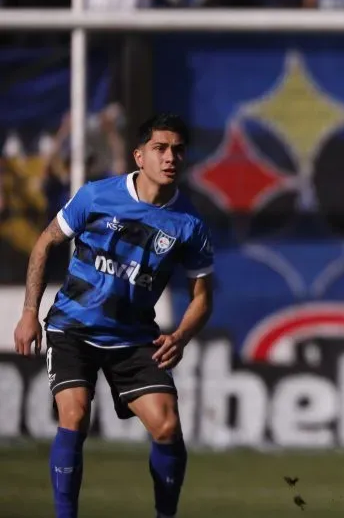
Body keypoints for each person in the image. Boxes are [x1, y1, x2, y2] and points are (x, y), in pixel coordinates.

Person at [12, 113, 215, 518]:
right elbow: (44, 243)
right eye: (160, 148)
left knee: (167, 426)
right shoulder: (95, 196)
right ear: (140, 156)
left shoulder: (189, 224)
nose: (169, 156)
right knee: (75, 413)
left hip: (134, 337)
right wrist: (29, 312)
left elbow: (202, 298)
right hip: (73, 328)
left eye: (177, 149)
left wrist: (182, 337)